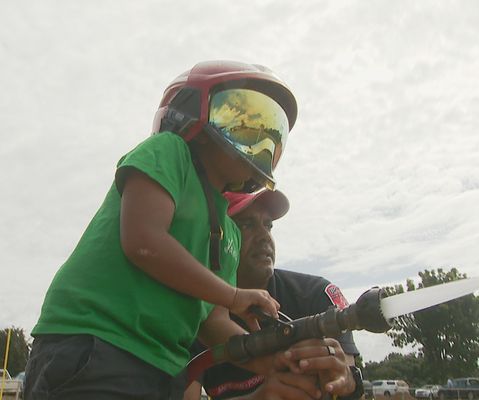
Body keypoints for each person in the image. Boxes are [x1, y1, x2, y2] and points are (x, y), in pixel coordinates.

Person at [25, 60, 298, 400]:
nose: (259, 141)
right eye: (241, 118)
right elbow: (144, 241)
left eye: (271, 132)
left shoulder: (229, 232)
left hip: (163, 370)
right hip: (97, 346)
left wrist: (275, 362)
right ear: (190, 110)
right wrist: (234, 296)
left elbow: (212, 322)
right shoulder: (169, 152)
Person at [184, 190, 364, 400]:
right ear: (215, 239)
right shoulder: (194, 316)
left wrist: (348, 381)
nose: (264, 236)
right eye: (246, 225)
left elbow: (349, 382)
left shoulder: (316, 295)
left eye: (268, 225)